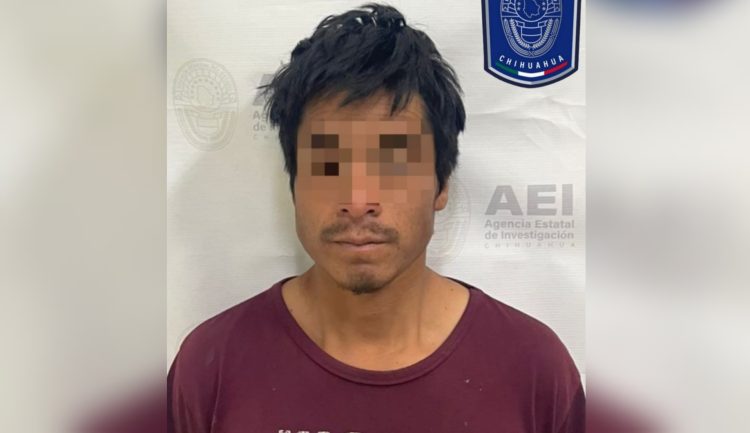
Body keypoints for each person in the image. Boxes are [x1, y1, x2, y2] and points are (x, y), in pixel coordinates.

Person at [167, 4, 584, 433]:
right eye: (328, 165)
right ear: (294, 184)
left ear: (441, 184)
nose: (357, 200)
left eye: (392, 164)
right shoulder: (210, 370)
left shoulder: (534, 371)